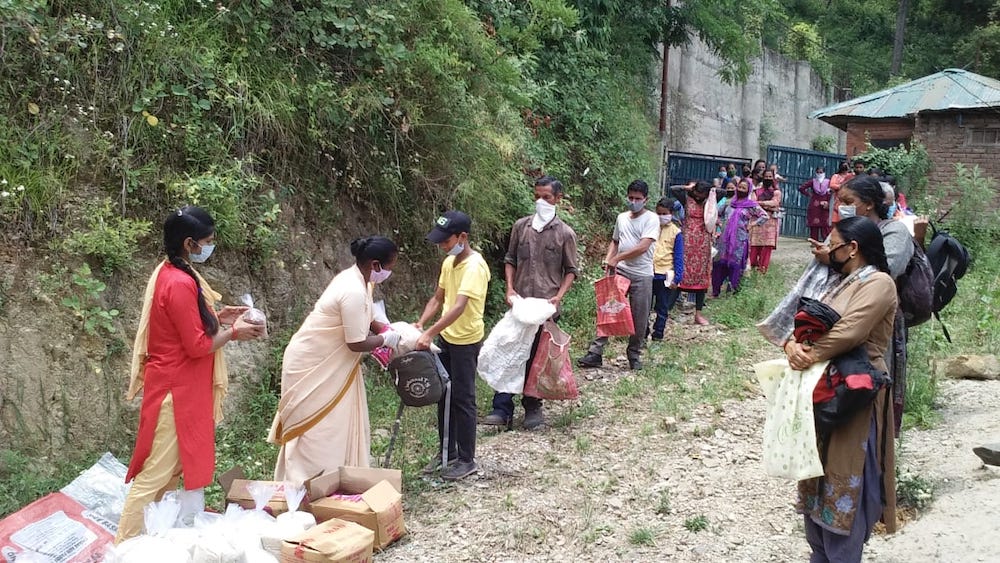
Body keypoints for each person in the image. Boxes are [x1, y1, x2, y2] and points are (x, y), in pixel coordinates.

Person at [117, 206, 265, 544]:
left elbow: (190, 322)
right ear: (189, 243)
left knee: (169, 473)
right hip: (176, 392)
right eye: (207, 242)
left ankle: (150, 540)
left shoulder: (174, 272)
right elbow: (198, 345)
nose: (210, 247)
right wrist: (234, 332)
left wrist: (220, 315)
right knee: (155, 474)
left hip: (182, 386)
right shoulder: (180, 282)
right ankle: (123, 547)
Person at [784, 216, 898, 562]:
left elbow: (851, 330)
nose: (828, 249)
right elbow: (805, 322)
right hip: (824, 390)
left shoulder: (879, 284)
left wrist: (811, 354)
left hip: (855, 395)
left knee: (848, 476)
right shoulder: (841, 281)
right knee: (817, 482)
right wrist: (791, 346)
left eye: (833, 244)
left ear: (853, 248)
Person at [270, 236, 402, 483]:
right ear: (375, 265)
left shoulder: (361, 282)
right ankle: (306, 487)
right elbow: (355, 343)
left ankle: (337, 485)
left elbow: (369, 315)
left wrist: (385, 329)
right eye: (390, 266)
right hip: (312, 364)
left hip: (334, 367)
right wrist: (386, 340)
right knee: (318, 432)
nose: (390, 271)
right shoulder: (351, 289)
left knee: (338, 425)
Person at [483, 176, 578, 430]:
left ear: (558, 198)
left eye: (546, 197)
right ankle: (501, 408)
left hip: (545, 306)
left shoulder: (565, 234)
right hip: (520, 303)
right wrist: (510, 288)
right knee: (510, 350)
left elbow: (571, 270)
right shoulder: (520, 228)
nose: (540, 201)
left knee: (537, 356)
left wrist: (559, 296)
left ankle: (533, 407)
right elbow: (510, 259)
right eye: (537, 196)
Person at [823, 175, 913, 434]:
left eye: (848, 201)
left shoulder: (894, 231)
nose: (841, 207)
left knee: (867, 381)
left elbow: (888, 267)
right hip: (843, 314)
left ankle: (870, 440)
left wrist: (833, 259)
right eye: (840, 201)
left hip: (875, 316)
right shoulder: (844, 231)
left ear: (870, 204)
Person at [416, 210, 491, 480]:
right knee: (443, 395)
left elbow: (459, 307)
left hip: (466, 341)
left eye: (446, 241)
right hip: (447, 338)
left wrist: (430, 333)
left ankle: (467, 458)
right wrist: (421, 324)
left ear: (462, 237)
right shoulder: (450, 263)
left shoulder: (475, 267)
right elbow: (439, 298)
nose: (442, 246)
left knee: (464, 398)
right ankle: (446, 451)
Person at [578, 179, 659, 370]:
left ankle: (634, 354)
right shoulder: (622, 217)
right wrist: (609, 259)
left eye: (637, 198)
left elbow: (643, 246)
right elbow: (615, 241)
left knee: (640, 316)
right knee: (609, 309)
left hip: (642, 274)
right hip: (620, 270)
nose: (633, 201)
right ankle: (595, 352)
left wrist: (618, 258)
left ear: (645, 199)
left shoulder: (651, 219)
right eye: (630, 197)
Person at [670, 180, 716, 325]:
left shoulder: (710, 201)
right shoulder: (686, 199)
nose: (698, 196)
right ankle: (667, 309)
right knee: (681, 273)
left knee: (701, 277)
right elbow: (673, 189)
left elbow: (725, 192)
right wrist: (687, 187)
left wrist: (712, 191)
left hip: (703, 243)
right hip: (686, 241)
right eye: (697, 193)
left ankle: (698, 314)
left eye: (702, 194)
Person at [712, 179, 767, 297]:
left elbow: (764, 216)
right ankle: (715, 290)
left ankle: (732, 291)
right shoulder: (729, 203)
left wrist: (752, 224)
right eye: (740, 187)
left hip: (739, 240)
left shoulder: (751, 205)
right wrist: (718, 222)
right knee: (719, 263)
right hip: (724, 239)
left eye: (744, 188)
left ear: (748, 190)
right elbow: (717, 213)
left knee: (734, 264)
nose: (741, 190)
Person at [651, 197, 684, 339]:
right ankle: (643, 332)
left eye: (664, 214)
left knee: (662, 306)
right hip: (648, 272)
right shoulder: (650, 227)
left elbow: (678, 256)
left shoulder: (676, 232)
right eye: (659, 213)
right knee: (645, 306)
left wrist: (677, 277)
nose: (661, 217)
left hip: (665, 274)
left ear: (671, 213)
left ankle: (658, 333)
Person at [749, 169, 782, 274]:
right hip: (757, 221)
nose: (768, 178)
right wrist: (768, 206)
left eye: (770, 177)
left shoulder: (777, 192)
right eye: (766, 176)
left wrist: (760, 203)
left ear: (773, 178)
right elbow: (753, 203)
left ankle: (763, 270)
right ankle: (751, 269)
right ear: (762, 177)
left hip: (770, 223)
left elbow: (775, 203)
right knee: (754, 245)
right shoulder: (756, 191)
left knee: (767, 246)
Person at [798, 166, 832, 241]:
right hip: (815, 205)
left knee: (825, 224)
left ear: (824, 173)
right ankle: (814, 241)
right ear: (815, 173)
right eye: (818, 172)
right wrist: (809, 194)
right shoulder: (813, 181)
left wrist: (829, 202)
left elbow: (833, 192)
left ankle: (826, 241)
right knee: (814, 224)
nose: (819, 174)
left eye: (821, 172)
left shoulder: (829, 182)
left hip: (825, 205)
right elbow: (801, 188)